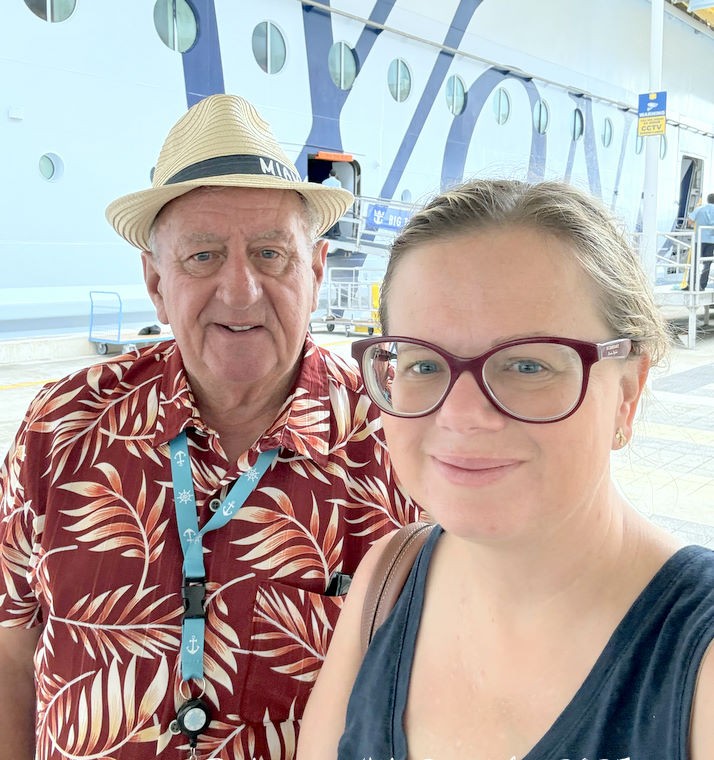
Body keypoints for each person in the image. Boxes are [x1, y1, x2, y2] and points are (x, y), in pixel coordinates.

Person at [0, 94, 420, 760]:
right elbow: (10, 646)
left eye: (271, 254)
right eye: (202, 256)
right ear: (155, 283)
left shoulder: (396, 439)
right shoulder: (62, 426)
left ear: (316, 271)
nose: (241, 290)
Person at [298, 179, 714, 760]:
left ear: (627, 392)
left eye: (527, 365)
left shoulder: (699, 662)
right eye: (423, 364)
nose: (462, 415)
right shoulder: (387, 579)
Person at [688, 192, 714, 290]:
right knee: (707, 263)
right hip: (711, 240)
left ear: (707, 200)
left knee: (694, 262)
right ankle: (702, 285)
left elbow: (690, 222)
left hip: (698, 240)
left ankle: (691, 283)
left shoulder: (700, 209)